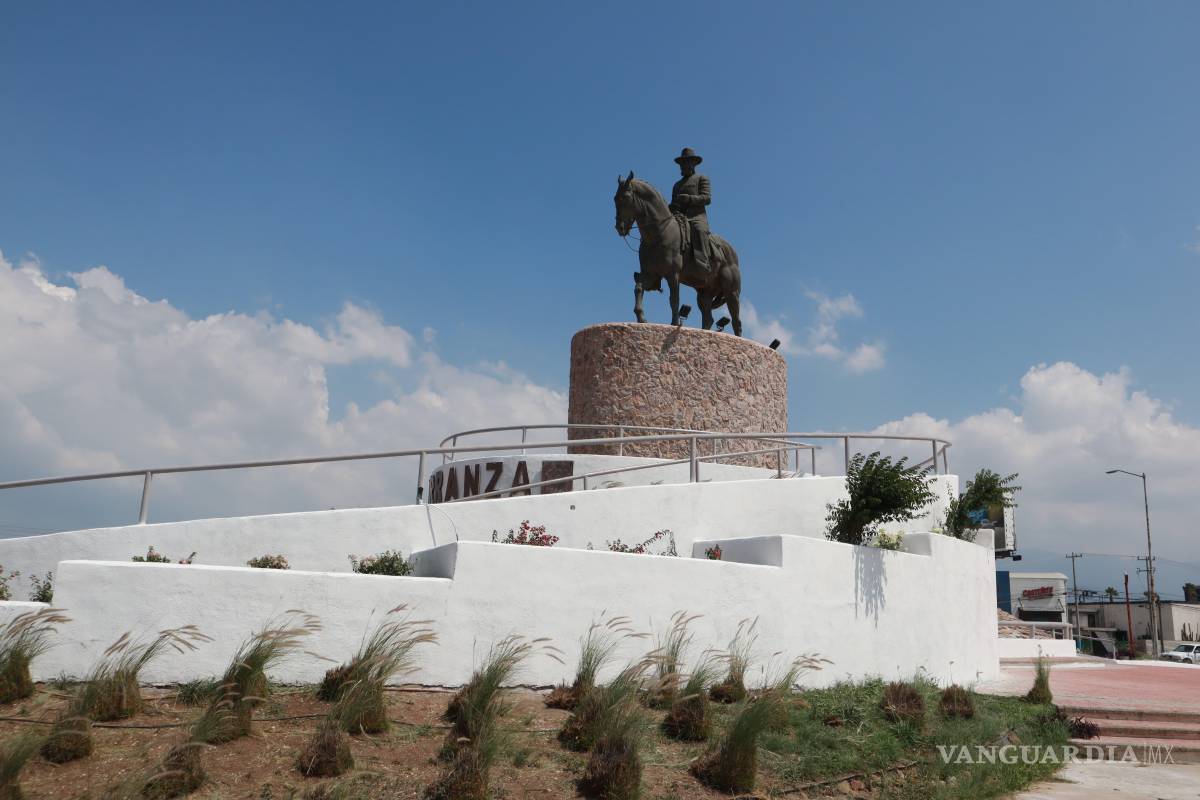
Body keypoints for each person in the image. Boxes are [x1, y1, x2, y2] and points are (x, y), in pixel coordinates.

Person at [669, 147, 712, 275]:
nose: (683, 166)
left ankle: (702, 263)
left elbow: (707, 198)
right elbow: (674, 204)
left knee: (698, 229)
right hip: (679, 218)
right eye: (682, 164)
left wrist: (689, 199)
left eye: (686, 163)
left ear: (693, 164)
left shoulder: (702, 178)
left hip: (696, 217)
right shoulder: (677, 185)